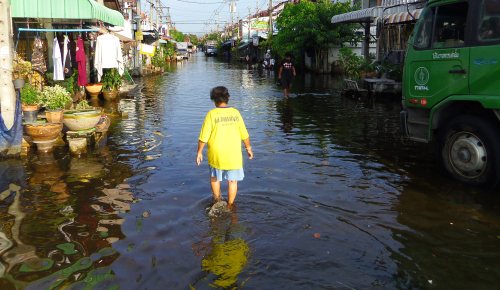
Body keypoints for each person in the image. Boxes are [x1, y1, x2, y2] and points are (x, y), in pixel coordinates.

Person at [196, 86, 254, 209]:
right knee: (232, 181)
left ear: (214, 100)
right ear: (227, 98)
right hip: (233, 154)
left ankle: (217, 202)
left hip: (217, 154)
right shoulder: (235, 113)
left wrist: (199, 152)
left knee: (215, 177)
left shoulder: (211, 114)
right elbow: (244, 134)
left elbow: (203, 137)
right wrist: (248, 148)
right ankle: (230, 205)